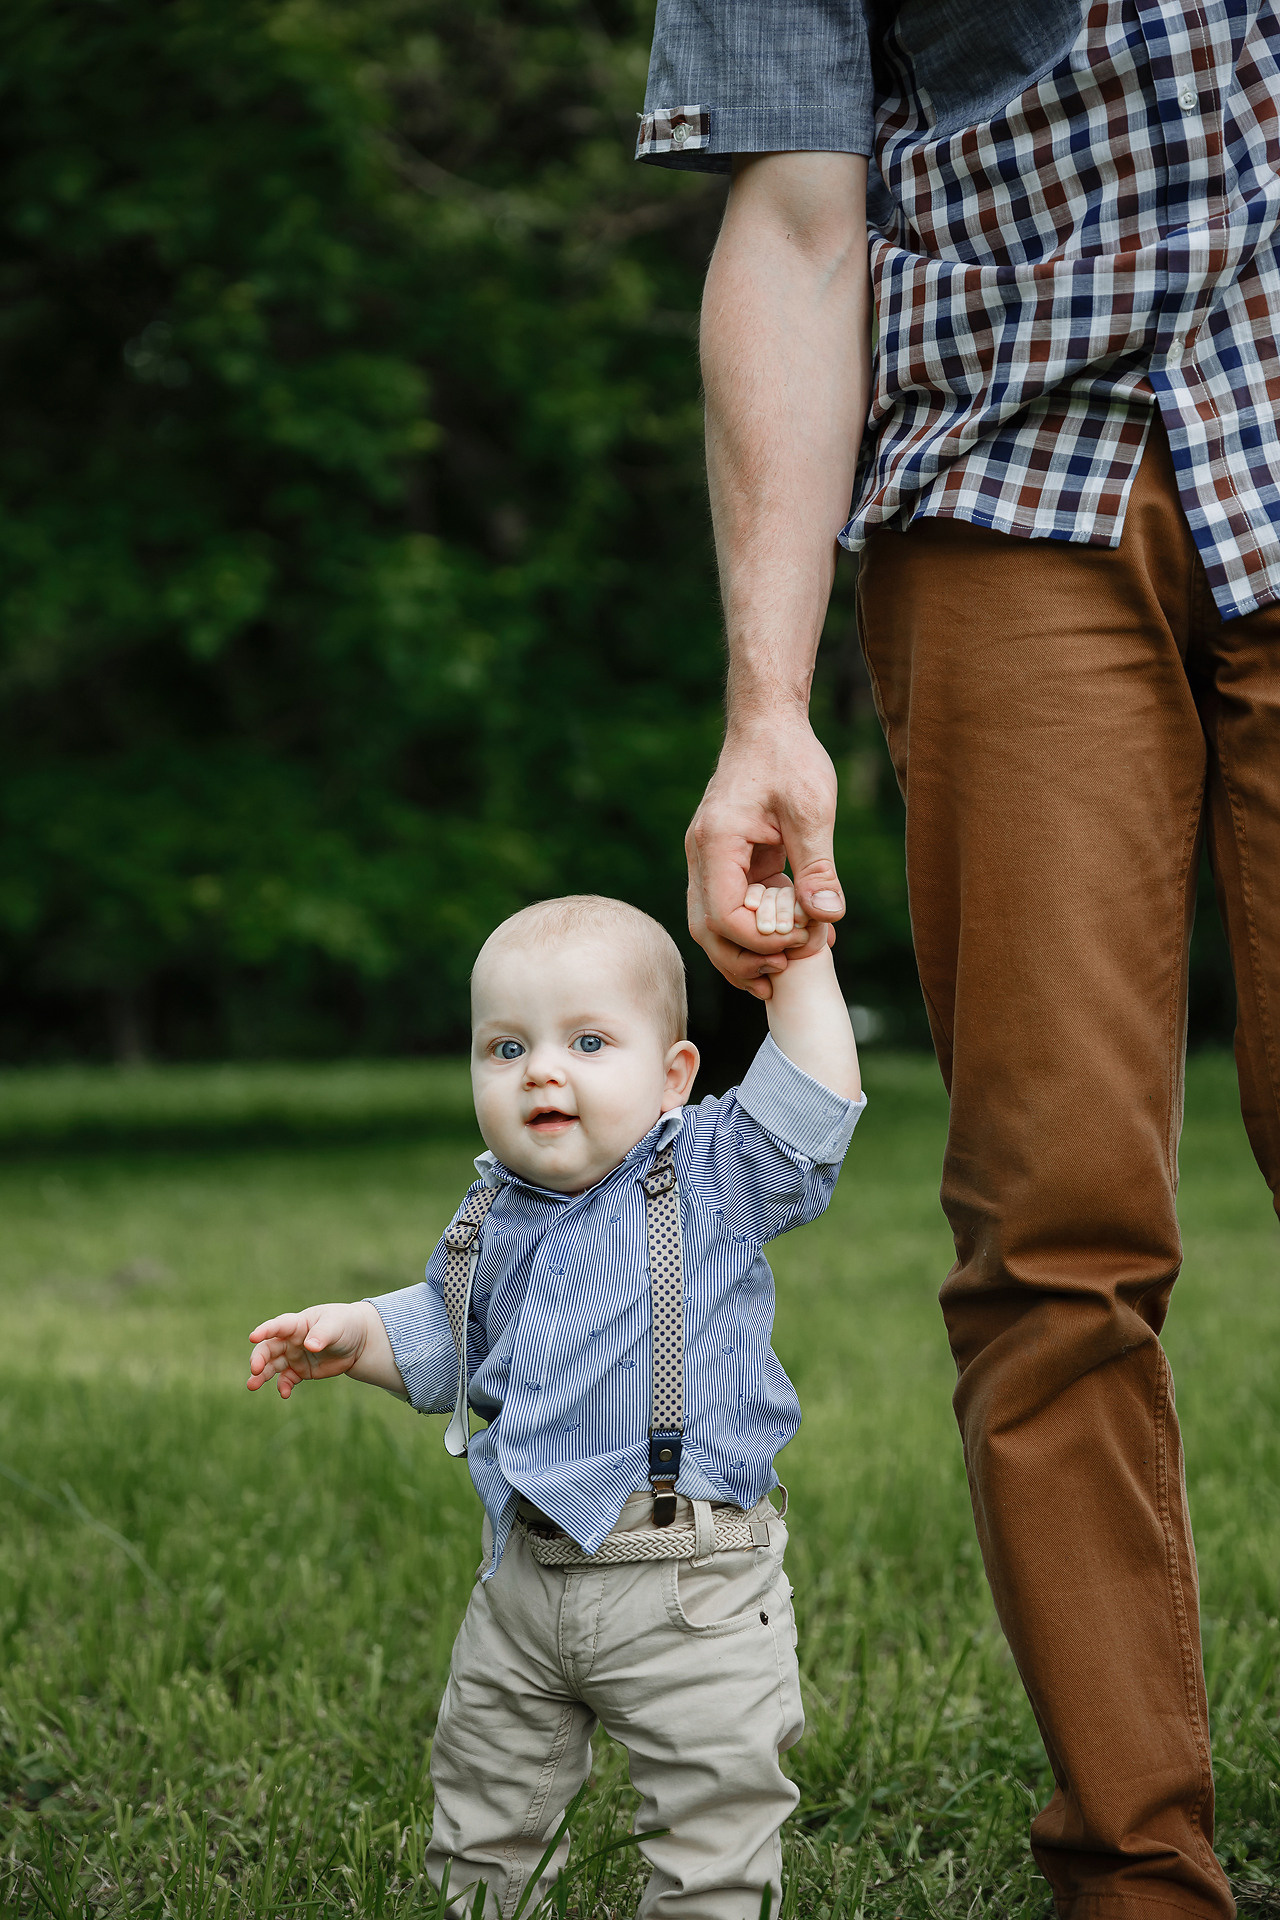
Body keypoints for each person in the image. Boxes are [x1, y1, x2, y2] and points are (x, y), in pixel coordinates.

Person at [637, 4, 1280, 1915]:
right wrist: (767, 709)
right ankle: (1135, 1873)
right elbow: (798, 221)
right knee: (1055, 1223)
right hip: (1011, 482)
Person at [246, 891, 863, 1918]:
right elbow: (455, 1338)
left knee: (711, 1822)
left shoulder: (712, 1174)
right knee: (483, 1804)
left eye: (586, 1041)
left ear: (671, 1078)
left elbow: (807, 1106)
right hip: (523, 1582)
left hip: (685, 1584)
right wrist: (359, 1334)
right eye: (504, 1047)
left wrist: (795, 963)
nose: (541, 1068)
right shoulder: (492, 1211)